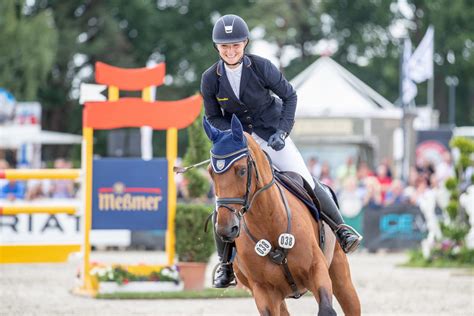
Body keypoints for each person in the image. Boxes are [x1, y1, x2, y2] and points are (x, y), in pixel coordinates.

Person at [201, 14, 362, 288]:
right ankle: (226, 265)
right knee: (225, 200)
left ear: (245, 43)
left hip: (272, 135)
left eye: (235, 45)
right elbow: (213, 117)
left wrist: (282, 132)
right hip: (241, 144)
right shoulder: (210, 79)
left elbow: (290, 96)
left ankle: (341, 229)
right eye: (225, 47)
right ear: (217, 47)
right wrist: (235, 135)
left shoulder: (262, 67)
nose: (230, 51)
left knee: (305, 179)